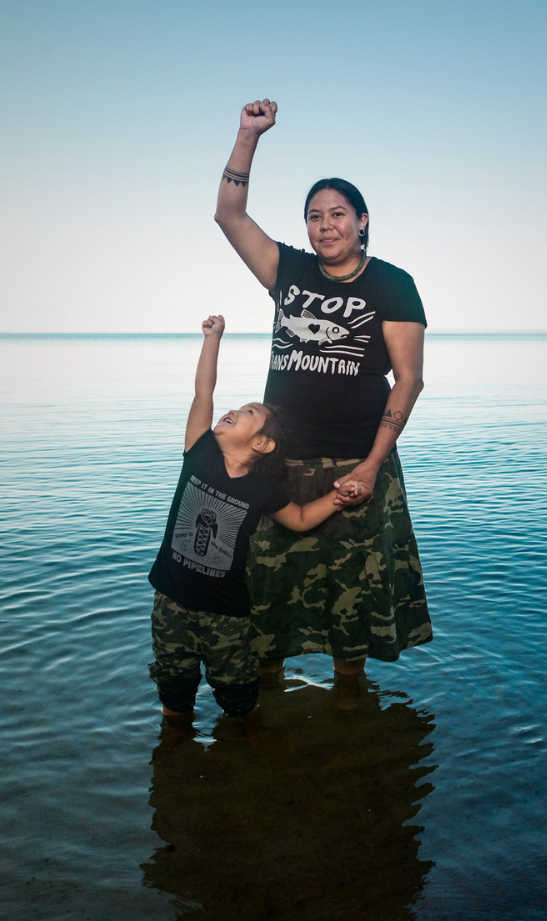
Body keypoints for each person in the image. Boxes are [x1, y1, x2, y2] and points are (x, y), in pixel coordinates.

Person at [212, 98, 432, 684]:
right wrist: (248, 135)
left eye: (338, 214)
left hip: (354, 459)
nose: (326, 224)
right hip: (275, 459)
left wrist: (372, 465)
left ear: (361, 221)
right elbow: (229, 216)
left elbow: (407, 379)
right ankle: (264, 713)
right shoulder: (289, 271)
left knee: (351, 600)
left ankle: (349, 704)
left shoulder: (393, 284)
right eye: (314, 215)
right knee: (265, 591)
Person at [147, 315, 349, 733]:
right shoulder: (199, 452)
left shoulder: (262, 490)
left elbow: (299, 519)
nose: (234, 410)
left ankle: (252, 747)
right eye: (238, 407)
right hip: (170, 600)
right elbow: (204, 390)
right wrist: (212, 338)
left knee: (236, 690)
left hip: (226, 612)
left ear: (262, 443)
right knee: (173, 683)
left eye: (249, 412)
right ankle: (173, 748)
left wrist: (339, 495)